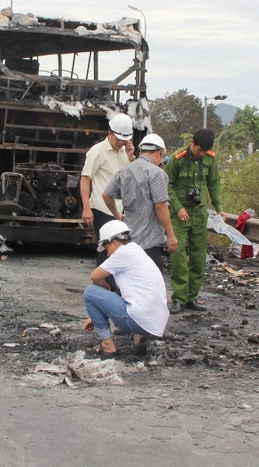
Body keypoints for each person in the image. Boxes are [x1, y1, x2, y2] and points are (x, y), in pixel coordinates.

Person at [83, 220, 170, 358]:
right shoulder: (136, 250)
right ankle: (137, 335)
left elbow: (95, 277)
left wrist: (104, 294)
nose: (108, 255)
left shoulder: (122, 253)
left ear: (114, 242)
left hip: (140, 319)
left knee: (90, 292)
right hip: (155, 323)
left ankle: (107, 345)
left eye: (107, 249)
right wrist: (101, 309)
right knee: (118, 301)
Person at [165, 128, 226, 314]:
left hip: (199, 214)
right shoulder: (177, 158)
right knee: (178, 256)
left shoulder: (210, 159)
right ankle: (179, 298)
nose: (201, 154)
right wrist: (178, 207)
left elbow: (214, 184)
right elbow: (167, 185)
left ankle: (192, 297)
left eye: (204, 151)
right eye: (199, 150)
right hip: (181, 214)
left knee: (199, 258)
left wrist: (219, 208)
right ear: (192, 143)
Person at [102, 133, 178, 272]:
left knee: (131, 279)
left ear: (141, 150)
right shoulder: (157, 173)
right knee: (150, 283)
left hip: (129, 239)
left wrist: (117, 214)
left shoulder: (124, 171)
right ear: (158, 153)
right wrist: (171, 235)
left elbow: (106, 195)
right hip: (150, 243)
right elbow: (160, 206)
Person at [80, 113, 135, 266]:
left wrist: (130, 158)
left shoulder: (123, 152)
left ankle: (108, 284)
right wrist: (86, 208)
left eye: (124, 139)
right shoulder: (98, 151)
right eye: (118, 138)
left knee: (116, 250)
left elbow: (127, 177)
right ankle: (101, 283)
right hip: (102, 209)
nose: (120, 142)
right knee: (108, 248)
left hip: (119, 209)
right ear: (109, 132)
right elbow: (85, 178)